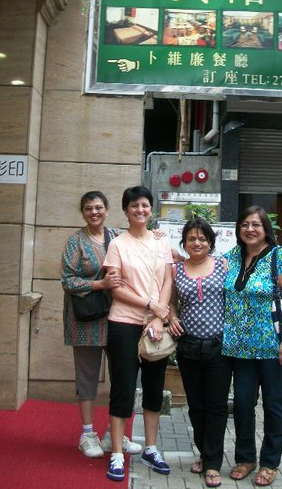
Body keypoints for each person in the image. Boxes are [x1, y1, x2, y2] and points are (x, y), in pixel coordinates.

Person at [223, 206, 282, 487]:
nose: (250, 229)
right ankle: (246, 458)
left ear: (265, 228)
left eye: (255, 224)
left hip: (274, 349)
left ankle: (270, 463)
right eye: (245, 224)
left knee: (273, 404)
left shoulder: (279, 256)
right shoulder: (233, 256)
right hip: (240, 349)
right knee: (243, 403)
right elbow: (204, 267)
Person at [61, 191, 142, 459]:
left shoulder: (118, 235)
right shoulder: (76, 241)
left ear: (107, 210)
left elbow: (142, 242)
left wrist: (160, 236)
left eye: (98, 207)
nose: (94, 212)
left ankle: (113, 433)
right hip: (85, 321)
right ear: (82, 212)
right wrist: (100, 284)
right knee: (87, 377)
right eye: (88, 208)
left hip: (117, 317)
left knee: (121, 375)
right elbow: (67, 281)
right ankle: (87, 433)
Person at [103, 186, 174, 482]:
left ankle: (151, 447)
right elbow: (115, 287)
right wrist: (150, 305)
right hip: (123, 323)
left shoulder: (162, 241)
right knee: (122, 387)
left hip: (155, 325)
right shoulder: (117, 244)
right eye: (134, 206)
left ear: (151, 208)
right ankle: (118, 452)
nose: (140, 210)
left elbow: (168, 279)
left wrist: (159, 317)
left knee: (154, 388)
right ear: (126, 210)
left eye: (145, 205)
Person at [169, 218, 232, 489]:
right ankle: (204, 454)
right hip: (189, 346)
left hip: (219, 348)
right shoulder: (177, 270)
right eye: (192, 239)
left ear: (211, 242)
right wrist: (171, 317)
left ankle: (213, 463)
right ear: (184, 242)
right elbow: (170, 302)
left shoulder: (223, 266)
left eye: (202, 239)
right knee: (196, 406)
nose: (197, 243)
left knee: (216, 406)